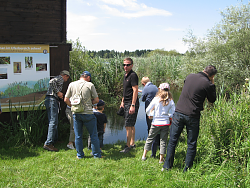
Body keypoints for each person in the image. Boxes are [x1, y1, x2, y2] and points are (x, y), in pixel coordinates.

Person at [162, 65, 217, 172]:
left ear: (203, 70)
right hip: (193, 115)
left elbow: (188, 86)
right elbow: (212, 100)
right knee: (191, 142)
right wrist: (212, 83)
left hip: (178, 112)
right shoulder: (208, 84)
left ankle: (167, 166)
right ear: (212, 76)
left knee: (173, 140)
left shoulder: (190, 76)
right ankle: (187, 169)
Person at [64, 71, 102, 159]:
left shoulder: (72, 84)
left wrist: (73, 106)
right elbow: (96, 100)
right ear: (88, 77)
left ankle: (80, 155)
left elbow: (66, 99)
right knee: (93, 134)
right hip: (88, 113)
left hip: (76, 113)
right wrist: (90, 102)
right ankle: (96, 155)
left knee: (78, 135)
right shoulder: (90, 85)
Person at [141, 83, 175, 164]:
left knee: (150, 138)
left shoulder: (156, 99)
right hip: (165, 124)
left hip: (156, 123)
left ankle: (144, 156)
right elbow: (174, 112)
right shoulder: (170, 100)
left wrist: (151, 115)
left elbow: (148, 109)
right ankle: (161, 160)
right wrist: (169, 116)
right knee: (163, 141)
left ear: (160, 89)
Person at [43, 70, 70, 152]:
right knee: (53, 122)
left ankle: (54, 140)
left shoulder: (59, 79)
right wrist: (58, 92)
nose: (67, 80)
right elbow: (51, 82)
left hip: (50, 100)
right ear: (65, 75)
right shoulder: (60, 78)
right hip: (52, 100)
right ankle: (48, 143)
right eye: (67, 78)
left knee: (52, 121)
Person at [120, 57, 139, 153]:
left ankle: (127, 147)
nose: (125, 66)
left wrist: (133, 105)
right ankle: (132, 143)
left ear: (131, 65)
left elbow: (135, 90)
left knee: (128, 125)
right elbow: (126, 90)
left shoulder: (133, 75)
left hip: (131, 103)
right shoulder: (125, 75)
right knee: (131, 125)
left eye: (127, 65)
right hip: (126, 102)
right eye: (124, 65)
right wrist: (122, 101)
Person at [139, 77, 159, 157]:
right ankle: (157, 142)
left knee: (149, 127)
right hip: (157, 110)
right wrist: (142, 91)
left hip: (150, 111)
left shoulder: (146, 88)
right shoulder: (155, 87)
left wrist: (143, 92)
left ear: (143, 84)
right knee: (157, 127)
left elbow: (143, 99)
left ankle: (150, 143)